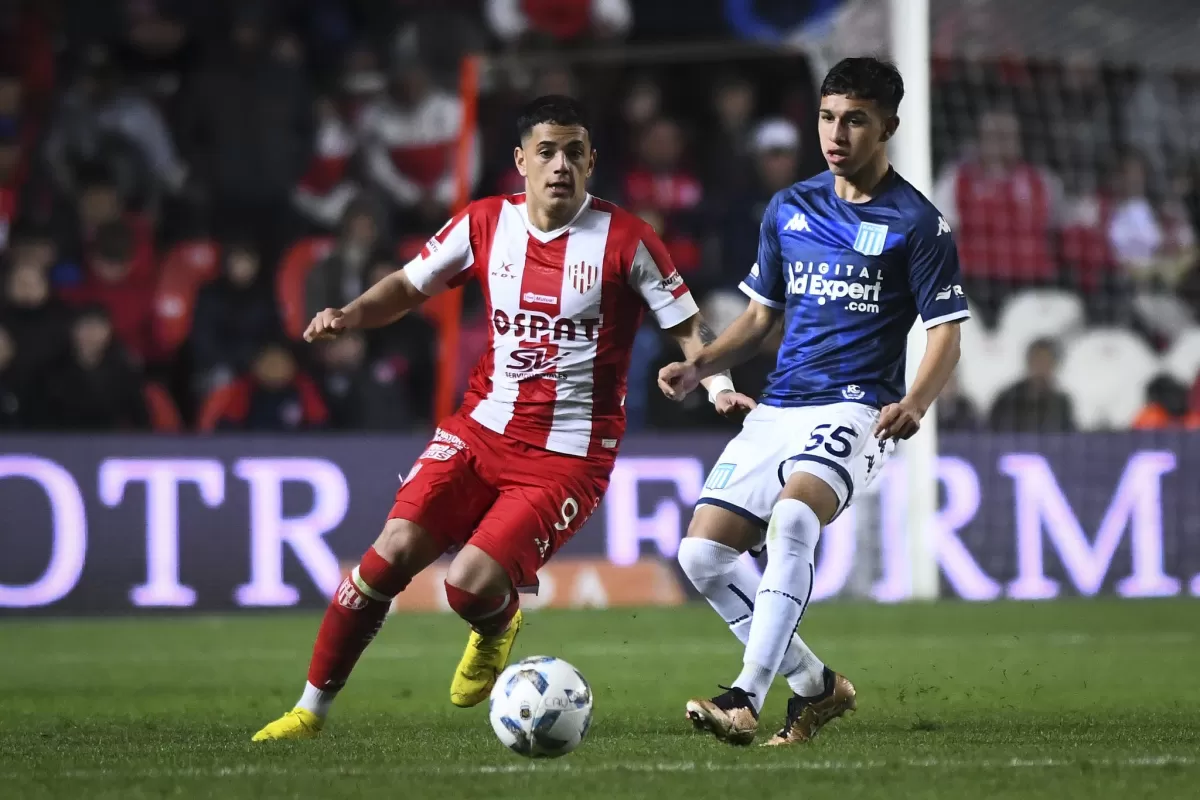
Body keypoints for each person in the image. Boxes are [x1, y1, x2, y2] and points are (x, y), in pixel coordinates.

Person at [253, 95, 753, 741]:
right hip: (479, 428)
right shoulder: (484, 223)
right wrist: (351, 314)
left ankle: (496, 623)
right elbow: (408, 285)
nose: (560, 165)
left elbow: (688, 327)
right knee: (389, 555)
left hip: (567, 456)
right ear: (521, 161)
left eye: (574, 152)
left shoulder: (628, 239)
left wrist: (717, 384)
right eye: (547, 152)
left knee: (467, 585)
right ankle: (308, 712)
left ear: (592, 161)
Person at [658, 57, 969, 747]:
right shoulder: (789, 207)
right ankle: (816, 684)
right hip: (780, 405)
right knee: (701, 556)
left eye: (855, 120)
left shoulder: (918, 223)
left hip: (858, 408)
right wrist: (700, 365)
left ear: (887, 127)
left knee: (795, 517)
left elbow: (946, 334)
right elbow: (760, 317)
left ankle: (744, 697)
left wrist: (916, 402)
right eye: (828, 117)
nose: (837, 133)